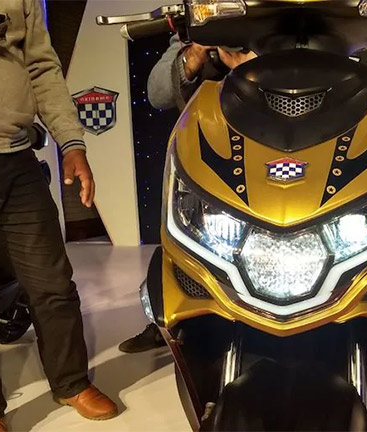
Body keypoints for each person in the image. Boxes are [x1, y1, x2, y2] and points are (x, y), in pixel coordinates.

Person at [0, 1, 118, 431]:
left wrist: (71, 143)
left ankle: (71, 382)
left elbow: (41, 66)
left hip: (17, 158)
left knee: (53, 284)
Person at [118, 36, 255, 353]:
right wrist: (197, 51)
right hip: (207, 152)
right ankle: (173, 317)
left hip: (277, 146)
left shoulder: (288, 24)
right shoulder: (200, 28)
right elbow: (157, 94)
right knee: (184, 231)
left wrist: (253, 63)